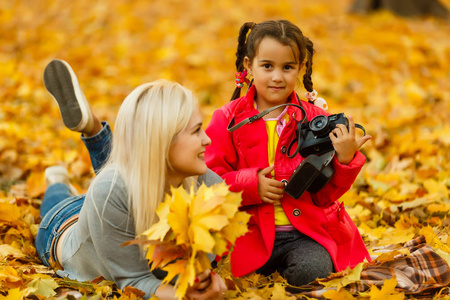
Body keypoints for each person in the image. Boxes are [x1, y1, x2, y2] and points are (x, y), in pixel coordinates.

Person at [36, 59, 227, 300]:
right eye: (197, 130)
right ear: (163, 139)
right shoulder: (111, 191)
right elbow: (134, 281)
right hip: (62, 226)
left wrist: (205, 283)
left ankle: (94, 131)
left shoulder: (210, 188)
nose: (207, 139)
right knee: (66, 195)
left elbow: (186, 273)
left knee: (129, 173)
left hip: (116, 202)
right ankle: (56, 181)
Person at [205, 20, 372, 286]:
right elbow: (209, 180)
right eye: (267, 66)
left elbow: (325, 196)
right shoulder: (227, 119)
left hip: (305, 234)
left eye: (288, 67)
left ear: (301, 68)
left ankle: (284, 281)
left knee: (313, 271)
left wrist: (344, 160)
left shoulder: (316, 119)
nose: (277, 77)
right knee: (224, 275)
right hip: (245, 233)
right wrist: (251, 185)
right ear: (248, 66)